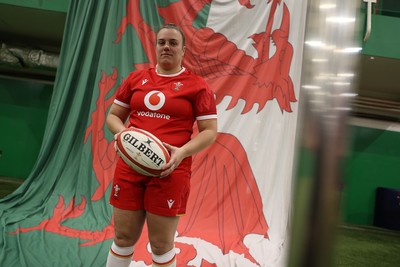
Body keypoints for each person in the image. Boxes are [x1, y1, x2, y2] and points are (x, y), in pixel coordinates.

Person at [105, 23, 218, 267]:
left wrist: (182, 152)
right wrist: (123, 136)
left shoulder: (197, 86)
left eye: (173, 43)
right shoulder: (136, 79)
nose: (167, 47)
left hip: (170, 171)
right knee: (123, 237)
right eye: (162, 42)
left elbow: (209, 132)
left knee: (161, 245)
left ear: (184, 50)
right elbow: (113, 116)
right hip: (129, 168)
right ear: (155, 47)